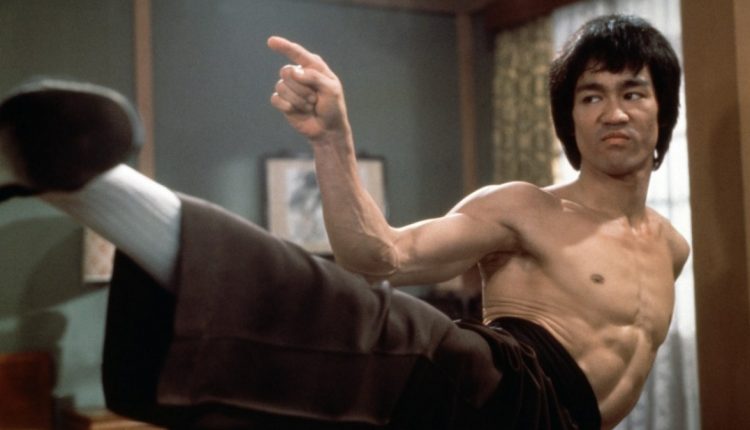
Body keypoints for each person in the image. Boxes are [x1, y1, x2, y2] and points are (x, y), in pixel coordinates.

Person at [0, 14, 688, 430]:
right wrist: (332, 139)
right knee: (371, 324)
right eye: (591, 97)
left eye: (632, 92)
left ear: (662, 111)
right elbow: (380, 256)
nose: (613, 112)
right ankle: (87, 185)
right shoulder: (524, 206)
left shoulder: (673, 247)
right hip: (501, 385)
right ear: (571, 120)